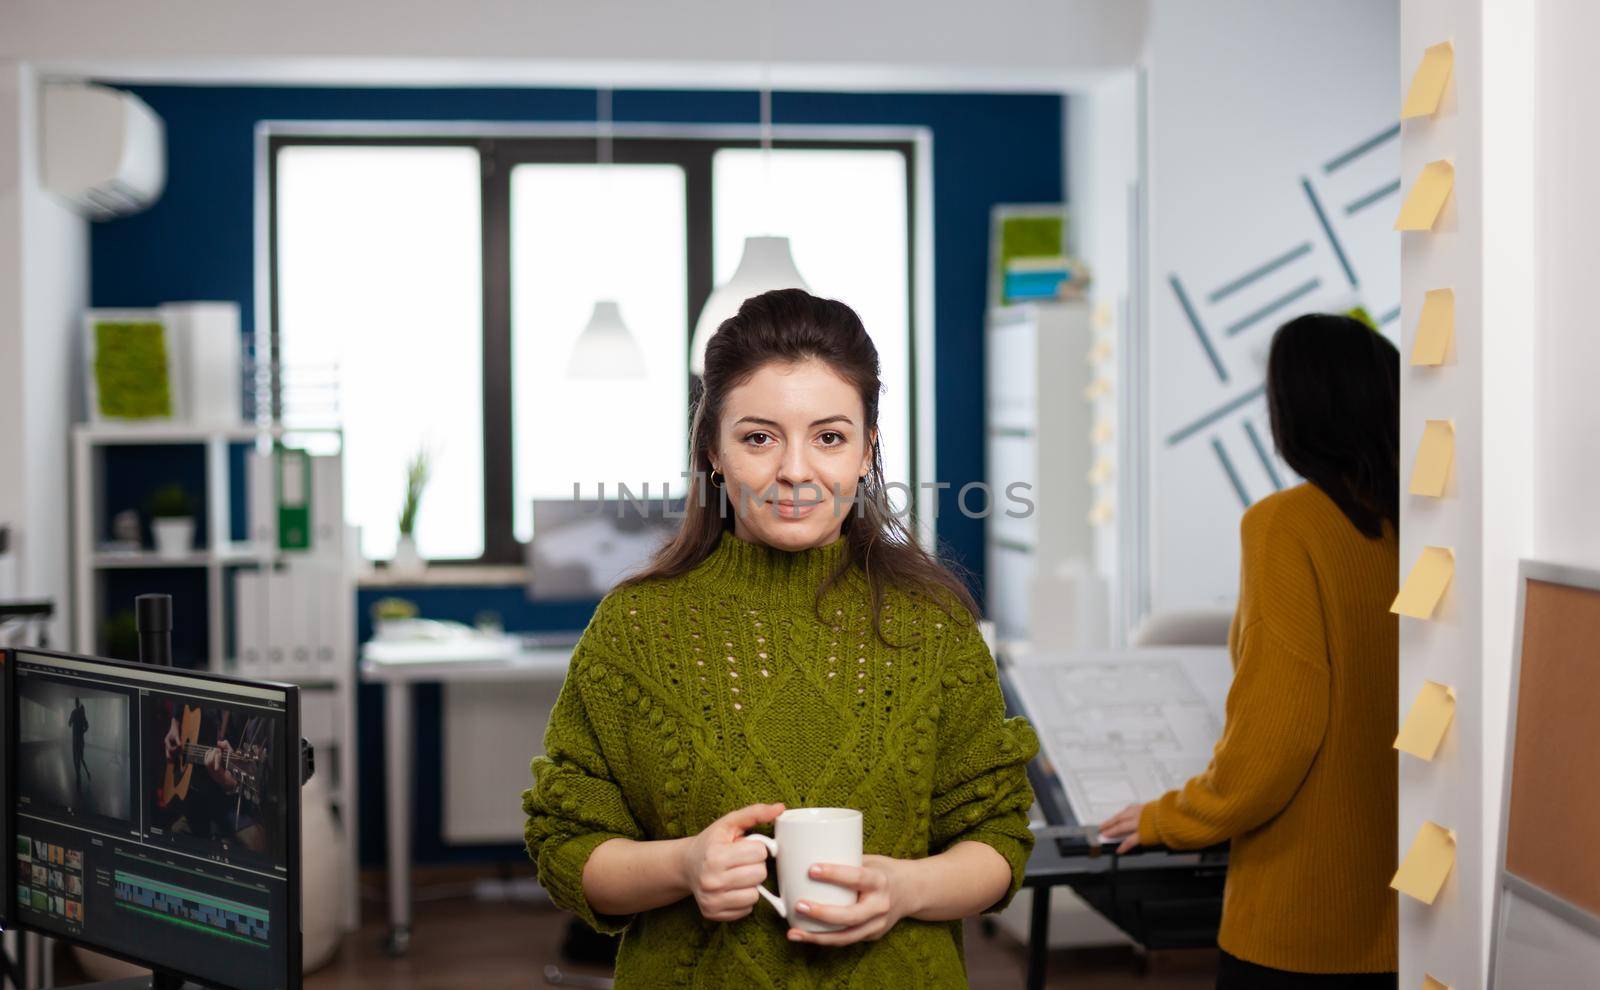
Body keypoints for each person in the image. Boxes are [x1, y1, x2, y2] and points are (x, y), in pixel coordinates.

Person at [522, 288, 1038, 988]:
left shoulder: (933, 624)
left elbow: (997, 837)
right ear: (712, 450)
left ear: (865, 450)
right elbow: (564, 843)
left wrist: (908, 888)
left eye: (829, 436)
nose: (795, 471)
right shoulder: (637, 629)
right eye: (759, 437)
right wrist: (682, 866)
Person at [1099, 313, 1400, 988]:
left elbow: (1278, 737)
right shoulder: (1422, 527)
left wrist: (1169, 818)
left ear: (1293, 411)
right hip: (1419, 919)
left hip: (1305, 921)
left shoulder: (1286, 525)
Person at [68, 698, 91, 791]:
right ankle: (85, 772)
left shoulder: (73, 712)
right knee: (81, 757)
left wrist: (72, 724)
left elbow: (69, 724)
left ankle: (78, 775)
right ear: (79, 703)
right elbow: (87, 726)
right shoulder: (82, 714)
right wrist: (82, 732)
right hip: (81, 740)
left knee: (75, 758)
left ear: (75, 703)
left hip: (75, 740)